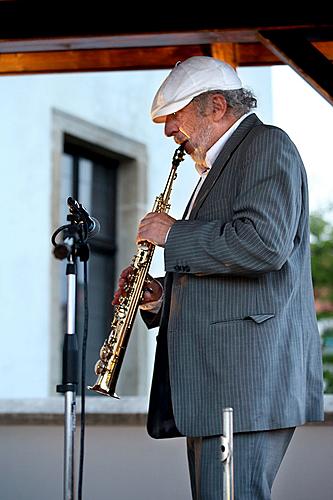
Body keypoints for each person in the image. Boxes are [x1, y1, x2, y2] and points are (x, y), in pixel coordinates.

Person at [113, 56, 324, 499]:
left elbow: (264, 244)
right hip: (218, 384)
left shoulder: (266, 145)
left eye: (175, 115)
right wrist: (157, 300)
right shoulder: (222, 162)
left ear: (215, 106)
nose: (169, 130)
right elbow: (223, 273)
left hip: (242, 384)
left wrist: (173, 233)